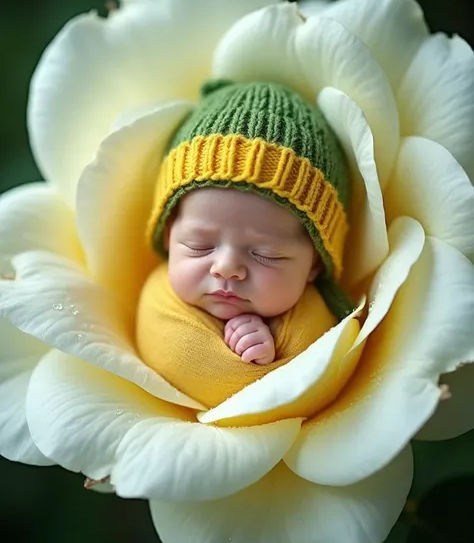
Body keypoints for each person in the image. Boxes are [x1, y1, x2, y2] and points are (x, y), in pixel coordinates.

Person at [136, 79, 352, 408]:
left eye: (265, 254)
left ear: (315, 263)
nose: (226, 267)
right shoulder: (155, 298)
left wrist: (264, 351)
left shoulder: (316, 324)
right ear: (168, 236)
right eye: (198, 245)